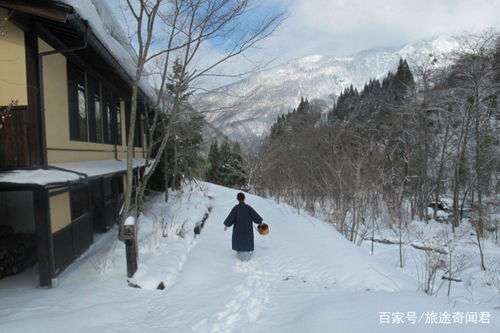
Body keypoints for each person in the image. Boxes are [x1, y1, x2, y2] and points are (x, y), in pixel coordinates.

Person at [223, 192, 264, 261]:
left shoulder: (236, 208)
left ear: (237, 199)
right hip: (248, 230)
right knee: (247, 243)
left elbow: (231, 218)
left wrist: (226, 225)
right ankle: (247, 258)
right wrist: (260, 222)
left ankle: (240, 258)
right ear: (244, 198)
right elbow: (256, 217)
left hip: (238, 231)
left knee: (239, 243)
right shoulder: (248, 208)